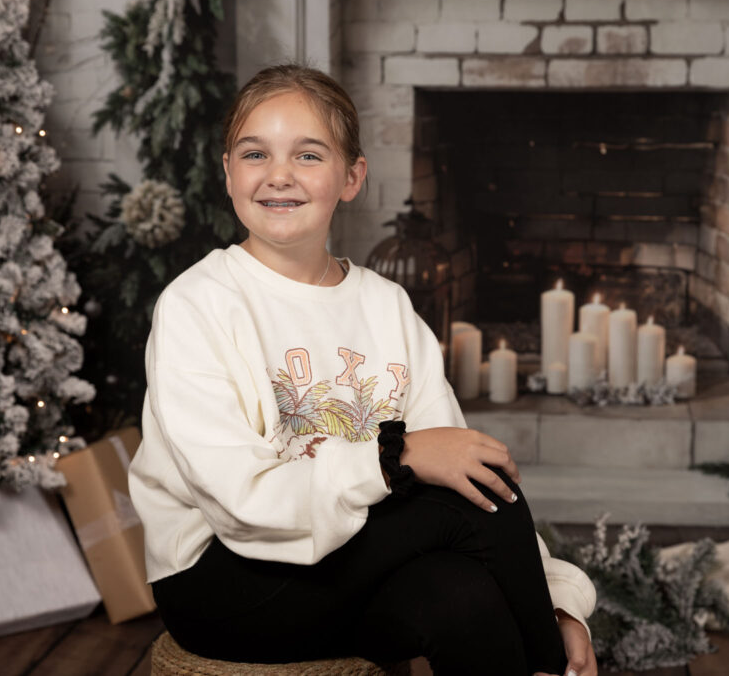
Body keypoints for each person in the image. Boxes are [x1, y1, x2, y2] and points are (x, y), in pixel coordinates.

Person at [128, 64, 598, 676]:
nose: (278, 176)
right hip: (222, 579)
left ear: (351, 177)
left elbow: (467, 469)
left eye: (308, 155)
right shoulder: (198, 304)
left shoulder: (386, 305)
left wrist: (561, 605)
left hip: (342, 564)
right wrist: (394, 457)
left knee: (463, 593)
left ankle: (544, 650)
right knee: (451, 508)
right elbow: (241, 506)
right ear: (227, 172)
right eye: (254, 153)